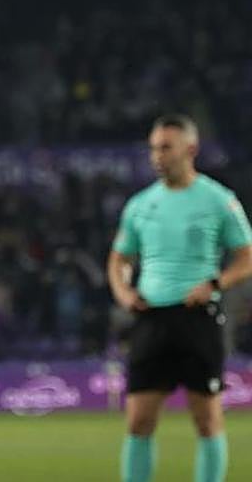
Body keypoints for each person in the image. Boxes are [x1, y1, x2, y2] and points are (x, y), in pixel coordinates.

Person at [108, 114, 252, 482]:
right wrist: (124, 293)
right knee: (138, 421)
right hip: (151, 318)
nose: (157, 156)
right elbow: (120, 258)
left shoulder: (219, 200)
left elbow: (247, 257)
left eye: (165, 148)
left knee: (207, 421)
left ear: (191, 149)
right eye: (154, 148)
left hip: (197, 318)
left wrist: (216, 282)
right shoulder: (140, 204)